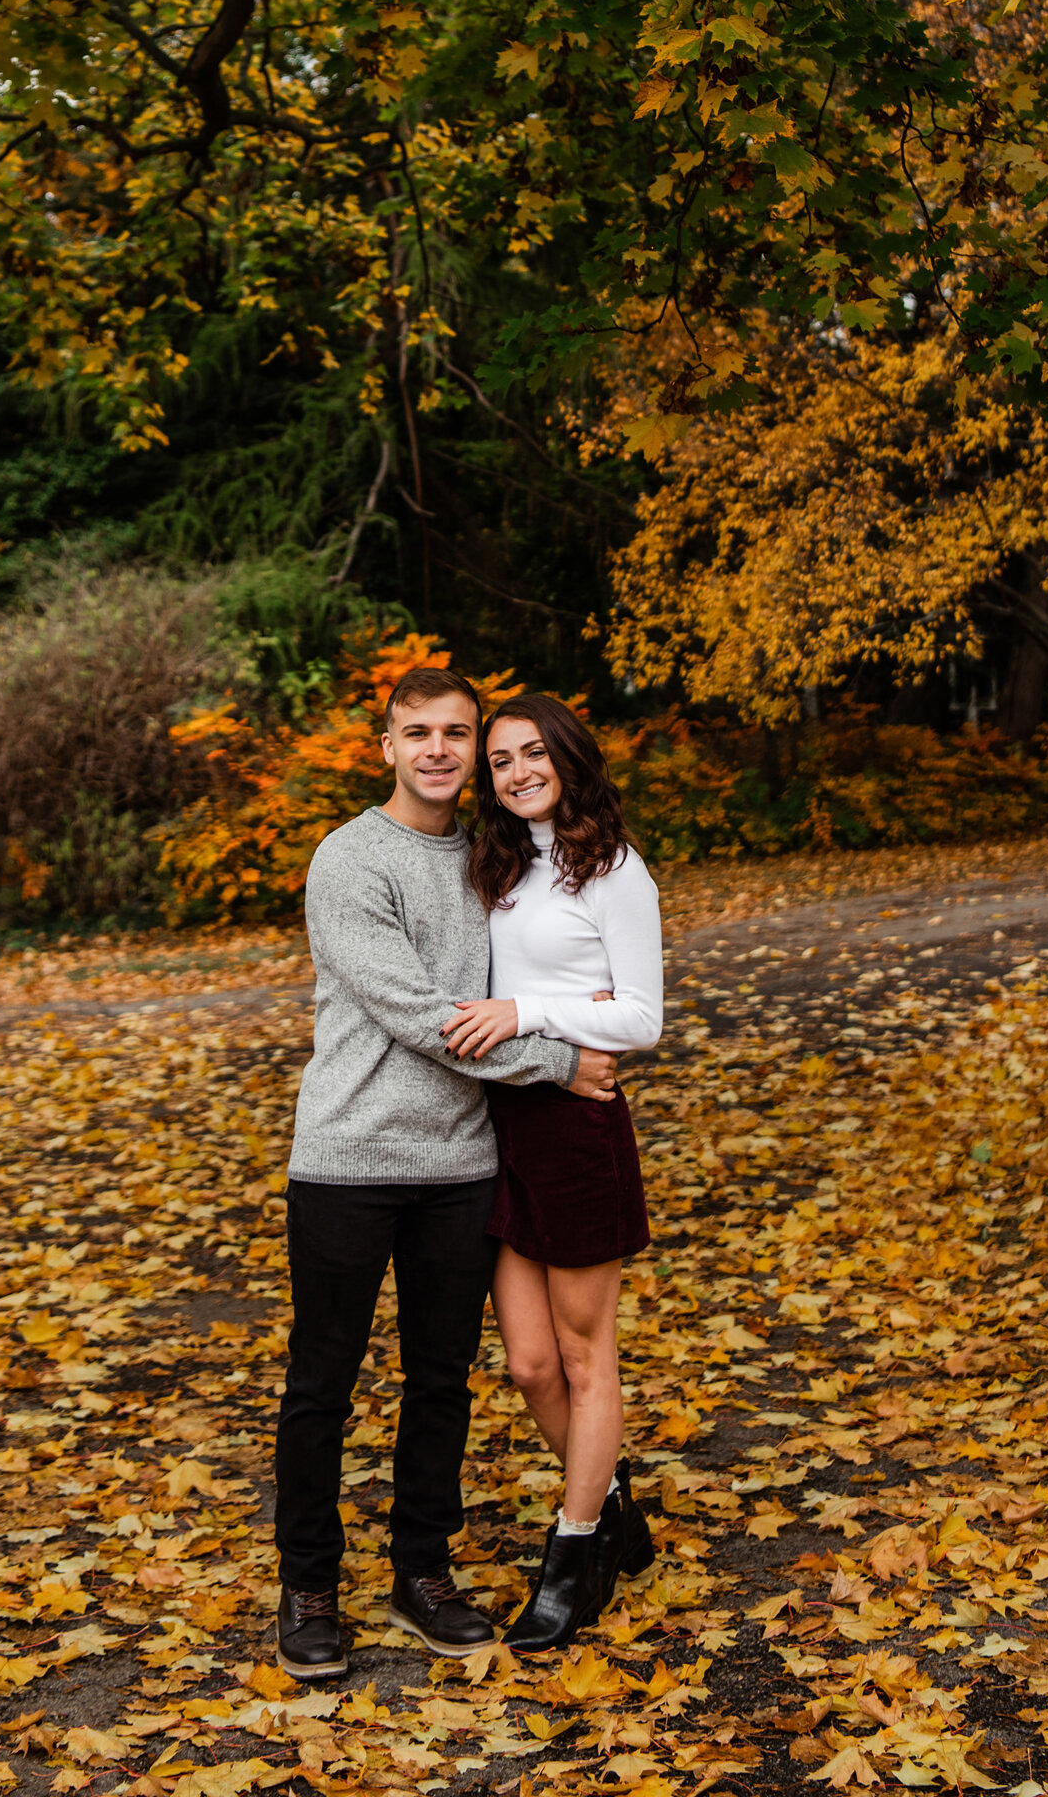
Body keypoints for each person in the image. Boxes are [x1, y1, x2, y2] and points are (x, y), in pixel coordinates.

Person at [273, 667, 619, 1680]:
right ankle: (309, 1585)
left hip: (463, 1161)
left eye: (456, 732)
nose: (436, 749)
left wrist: (582, 1019)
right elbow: (419, 1014)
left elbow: (545, 975)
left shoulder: (495, 857)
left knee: (440, 1380)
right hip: (347, 1158)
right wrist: (558, 1061)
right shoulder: (349, 859)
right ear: (385, 744)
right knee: (321, 1381)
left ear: (476, 750)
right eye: (416, 731)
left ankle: (420, 1568)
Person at [442, 693, 663, 1651]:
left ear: (568, 758)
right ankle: (610, 1500)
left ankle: (573, 1556)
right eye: (501, 760)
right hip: (498, 1127)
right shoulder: (494, 868)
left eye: (534, 753)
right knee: (529, 1363)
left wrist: (531, 1011)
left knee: (583, 1355)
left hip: (575, 1128)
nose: (518, 771)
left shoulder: (613, 870)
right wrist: (548, 1009)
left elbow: (643, 1019)